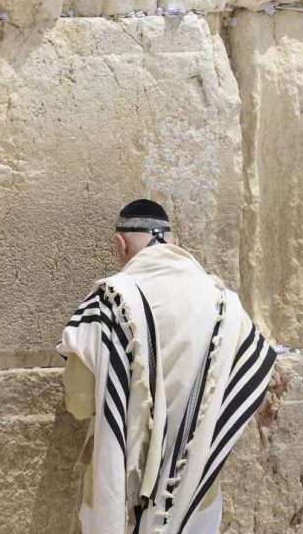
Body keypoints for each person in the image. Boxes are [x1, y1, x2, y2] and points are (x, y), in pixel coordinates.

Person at [58, 200, 276, 534]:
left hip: (124, 498)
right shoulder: (226, 304)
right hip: (196, 494)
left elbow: (80, 401)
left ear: (120, 243)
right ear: (176, 243)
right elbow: (253, 379)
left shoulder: (110, 302)